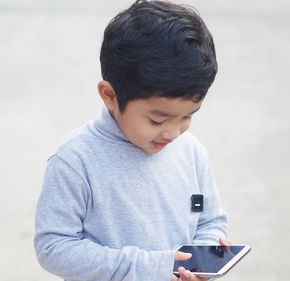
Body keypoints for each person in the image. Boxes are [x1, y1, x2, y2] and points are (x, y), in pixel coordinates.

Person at [34, 1, 230, 280]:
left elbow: (210, 221)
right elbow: (54, 247)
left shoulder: (191, 152)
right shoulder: (75, 161)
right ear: (110, 96)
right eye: (157, 121)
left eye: (187, 117)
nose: (173, 134)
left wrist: (202, 257)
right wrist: (148, 267)